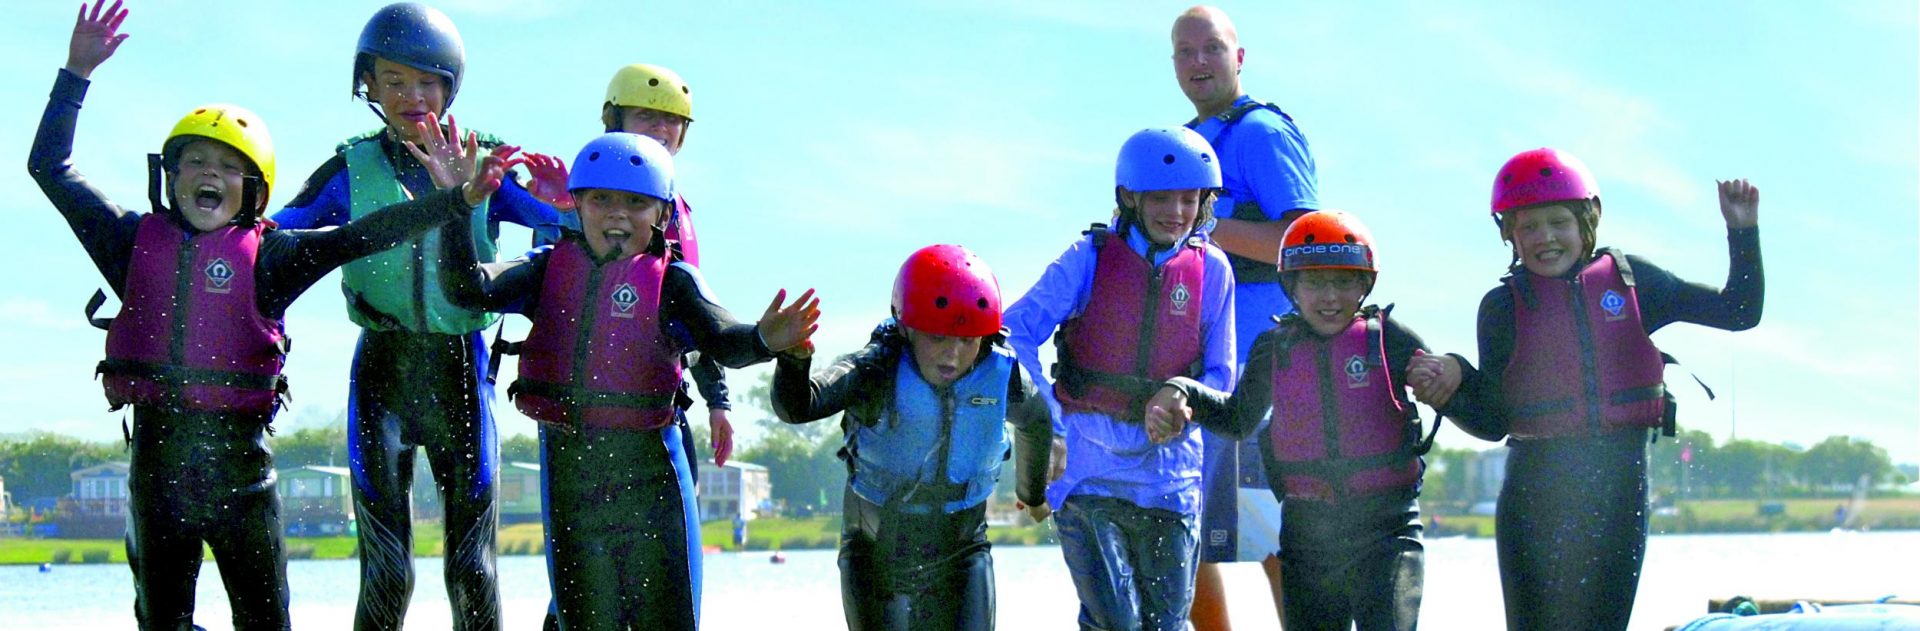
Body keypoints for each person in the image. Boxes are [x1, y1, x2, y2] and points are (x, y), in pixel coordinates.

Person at [27, 3, 513, 627]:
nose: (212, 175)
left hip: (245, 489)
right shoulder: (128, 245)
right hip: (157, 486)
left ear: (255, 192)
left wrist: (458, 199)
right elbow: (51, 169)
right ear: (170, 176)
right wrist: (76, 73)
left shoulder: (270, 259)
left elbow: (361, 236)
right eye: (197, 162)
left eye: (231, 167)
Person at [438, 132, 819, 630]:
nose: (617, 214)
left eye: (636, 203)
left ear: (662, 214)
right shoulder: (545, 269)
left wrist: (766, 338)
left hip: (655, 483)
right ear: (577, 205)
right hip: (572, 483)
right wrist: (454, 205)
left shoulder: (675, 282)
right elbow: (467, 288)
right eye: (601, 200)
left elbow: (724, 338)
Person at [268, 4, 568, 628]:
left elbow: (568, 235)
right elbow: (271, 240)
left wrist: (559, 209)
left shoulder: (489, 167)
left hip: (463, 371)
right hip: (381, 372)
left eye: (428, 81)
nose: (412, 95)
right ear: (368, 85)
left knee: (472, 568)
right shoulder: (347, 170)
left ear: (450, 88)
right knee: (387, 569)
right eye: (395, 80)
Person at [1443, 148, 1764, 630]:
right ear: (1508, 232)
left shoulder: (1636, 283)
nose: (1545, 238)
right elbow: (1492, 422)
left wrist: (1742, 229)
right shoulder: (1501, 308)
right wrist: (1449, 389)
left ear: (1587, 220)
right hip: (1533, 494)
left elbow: (1740, 311)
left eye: (1558, 222)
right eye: (1528, 227)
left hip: (1619, 489)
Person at [1151, 210, 1468, 631]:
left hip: (1387, 534)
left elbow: (1485, 421)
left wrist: (1457, 370)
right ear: (1291, 286)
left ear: (1365, 283)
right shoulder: (1274, 347)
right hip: (1308, 540)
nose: (1330, 297)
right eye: (1315, 282)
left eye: (1343, 282)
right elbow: (1238, 419)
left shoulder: (1389, 338)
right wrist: (1186, 389)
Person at [1005, 127, 1237, 630]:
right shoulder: (1087, 258)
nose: (1176, 211)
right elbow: (1011, 334)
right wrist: (1049, 427)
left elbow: (1223, 375)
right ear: (1129, 196)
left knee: (1166, 626)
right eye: (1160, 197)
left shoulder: (1213, 270)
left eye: (1188, 198)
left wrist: (1183, 398)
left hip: (1172, 481)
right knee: (1116, 624)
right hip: (1088, 474)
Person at [769, 244, 1053, 630]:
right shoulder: (874, 370)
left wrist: (1032, 496)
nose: (952, 356)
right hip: (875, 553)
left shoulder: (1002, 375)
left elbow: (1036, 422)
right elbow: (800, 406)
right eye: (938, 338)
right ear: (905, 327)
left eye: (967, 340)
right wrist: (792, 362)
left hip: (963, 549)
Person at [1171, 7, 1322, 626]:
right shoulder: (1180, 149)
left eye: (1212, 48)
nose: (1198, 62)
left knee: (1277, 536)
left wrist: (1203, 223)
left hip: (1269, 371)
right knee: (1194, 536)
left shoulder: (1261, 134)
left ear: (1240, 57)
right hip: (1201, 375)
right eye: (1185, 52)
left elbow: (1308, 237)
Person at [600, 62, 735, 478]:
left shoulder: (677, 208)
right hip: (599, 401)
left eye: (671, 120)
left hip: (665, 391)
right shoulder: (588, 201)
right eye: (646, 116)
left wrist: (718, 401)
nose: (660, 129)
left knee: (681, 502)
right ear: (615, 120)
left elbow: (697, 312)